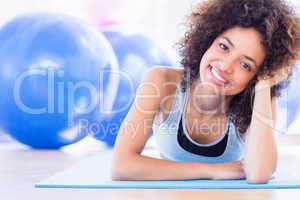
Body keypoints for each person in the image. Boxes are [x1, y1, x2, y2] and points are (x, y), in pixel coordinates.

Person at [111, 0, 300, 183]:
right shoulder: (161, 81)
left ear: (259, 74)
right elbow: (121, 165)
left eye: (245, 65)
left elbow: (259, 174)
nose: (226, 66)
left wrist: (264, 83)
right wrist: (210, 171)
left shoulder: (259, 98)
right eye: (224, 46)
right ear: (208, 39)